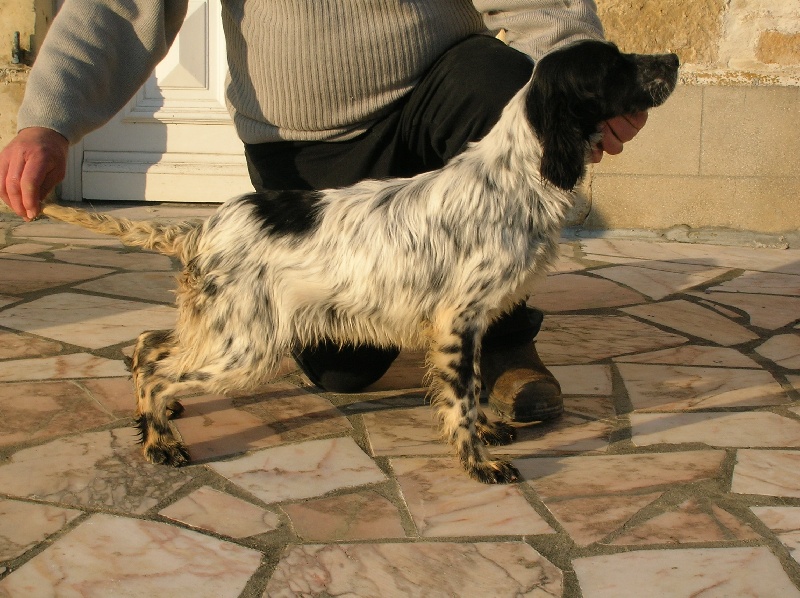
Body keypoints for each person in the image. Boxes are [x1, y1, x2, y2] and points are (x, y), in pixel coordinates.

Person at [0, 1, 647, 422]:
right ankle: (174, 349)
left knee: (500, 82)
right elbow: (118, 5)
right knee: (342, 368)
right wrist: (49, 120)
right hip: (307, 151)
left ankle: (500, 343)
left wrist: (587, 85)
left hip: (439, 94)